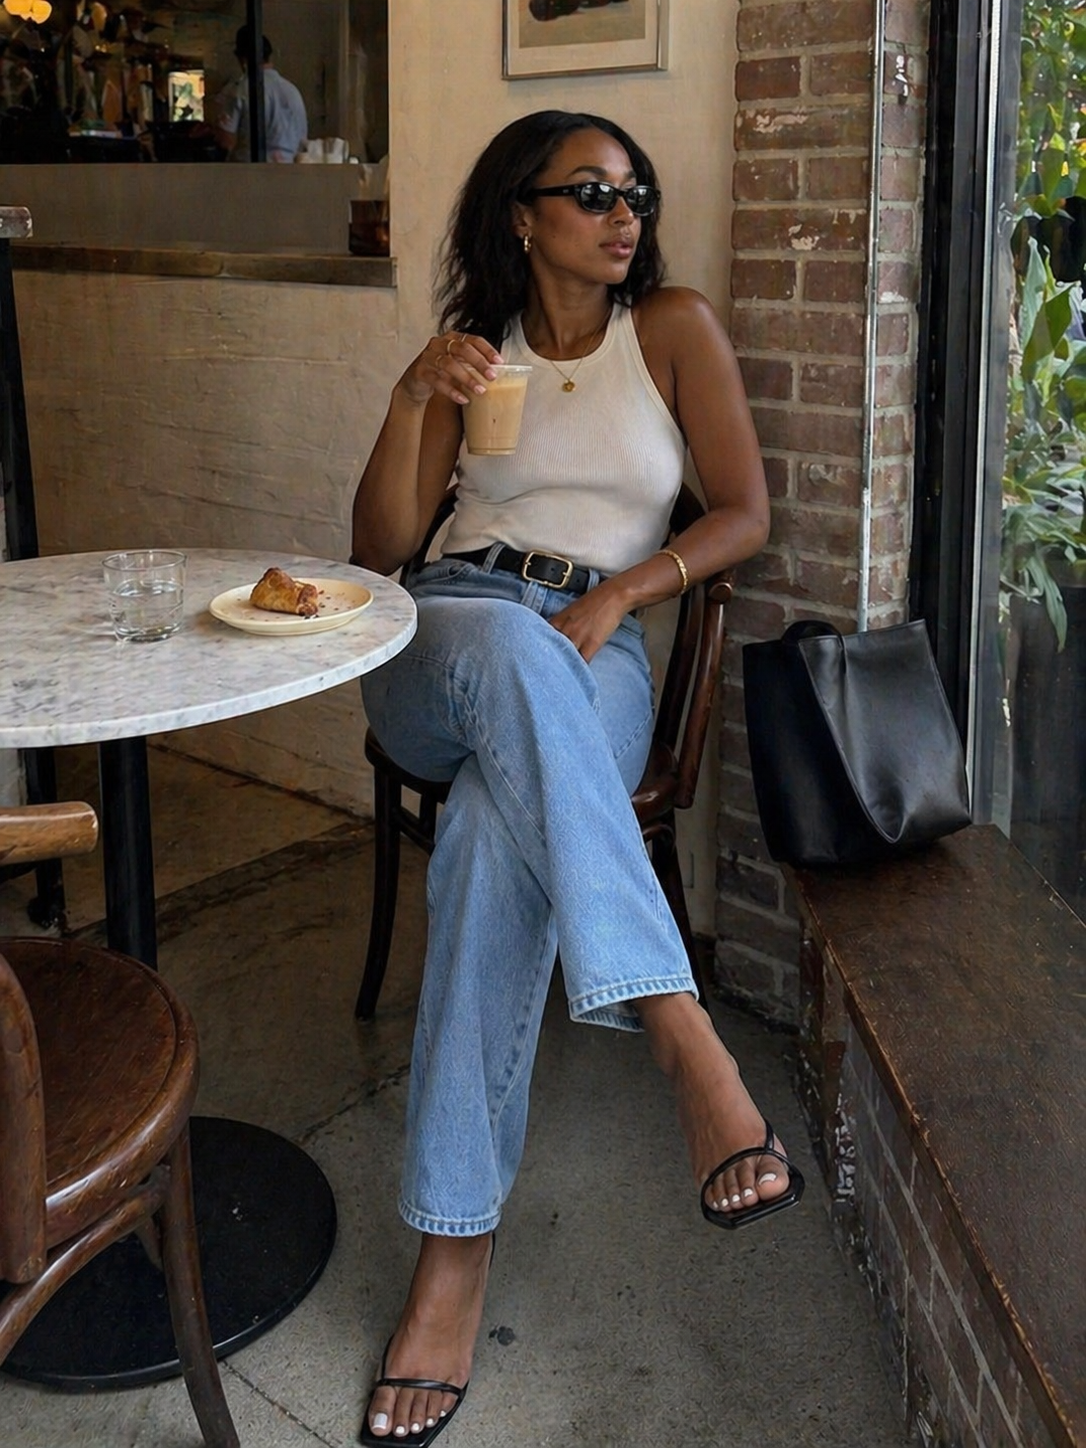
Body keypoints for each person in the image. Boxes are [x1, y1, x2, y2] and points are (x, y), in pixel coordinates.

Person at [351, 109, 802, 1446]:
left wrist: (625, 589)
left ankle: (451, 1253)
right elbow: (378, 551)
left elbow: (741, 512)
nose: (624, 216)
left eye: (635, 195)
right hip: (443, 637)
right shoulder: (470, 357)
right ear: (522, 215)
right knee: (492, 635)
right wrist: (405, 399)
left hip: (590, 652)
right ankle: (679, 1033)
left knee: (497, 834)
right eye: (591, 192)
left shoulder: (670, 330)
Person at [214, 27, 306, 163]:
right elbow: (302, 139)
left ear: (243, 60)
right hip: (290, 172)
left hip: (250, 175)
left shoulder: (239, 89)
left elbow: (225, 140)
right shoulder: (292, 91)